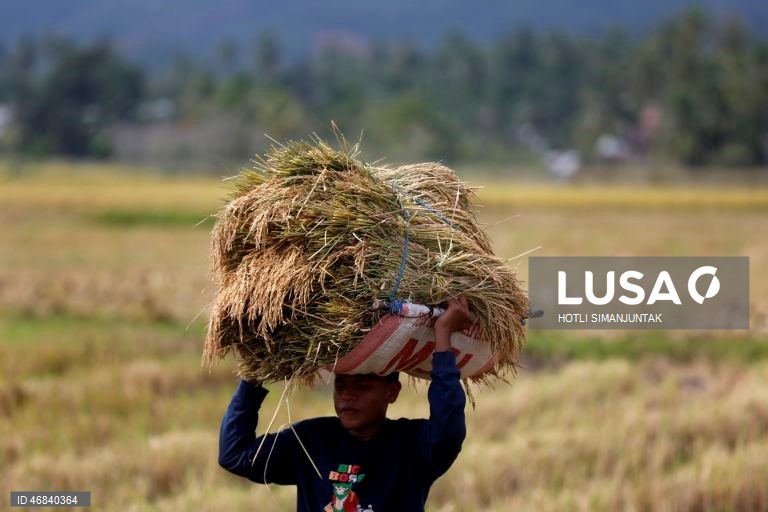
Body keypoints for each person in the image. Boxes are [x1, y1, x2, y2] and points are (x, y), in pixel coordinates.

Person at [218, 296, 472, 512]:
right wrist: (255, 367)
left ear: (392, 392)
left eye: (362, 387)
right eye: (341, 386)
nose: (348, 396)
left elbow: (448, 430)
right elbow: (235, 455)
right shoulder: (310, 441)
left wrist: (443, 336)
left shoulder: (410, 447)